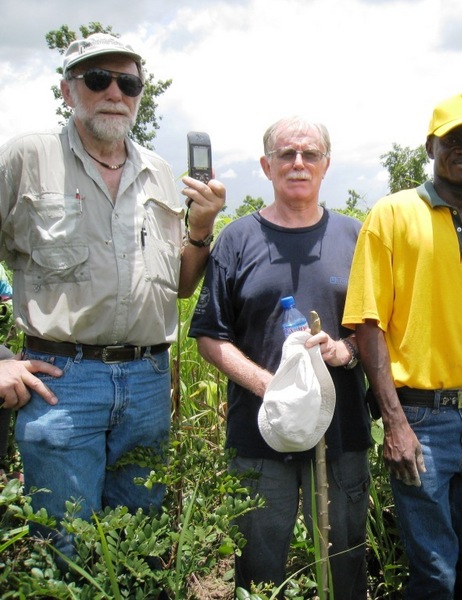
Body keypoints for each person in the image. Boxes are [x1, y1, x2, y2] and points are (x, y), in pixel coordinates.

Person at [0, 32, 224, 553]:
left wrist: (201, 228)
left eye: (128, 82)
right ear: (67, 89)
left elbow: (182, 286)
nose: (115, 93)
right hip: (63, 382)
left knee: (138, 545)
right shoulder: (27, 157)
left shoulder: (162, 174)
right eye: (98, 80)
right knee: (65, 549)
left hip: (148, 381)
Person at [189, 116, 372, 597]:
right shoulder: (236, 239)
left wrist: (344, 350)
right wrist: (270, 387)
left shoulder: (357, 237)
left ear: (326, 165)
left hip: (341, 432)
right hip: (259, 435)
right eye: (286, 154)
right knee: (259, 562)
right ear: (266, 165)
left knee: (346, 560)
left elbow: (375, 330)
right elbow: (210, 335)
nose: (298, 163)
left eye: (310, 154)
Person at [343, 93, 462, 599]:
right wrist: (394, 422)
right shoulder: (391, 216)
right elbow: (368, 325)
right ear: (430, 146)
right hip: (420, 423)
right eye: (452, 139)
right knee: (434, 571)